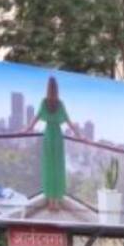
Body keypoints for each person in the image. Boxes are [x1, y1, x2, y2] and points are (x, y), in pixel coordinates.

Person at [22, 76, 86, 213]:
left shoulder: (44, 102)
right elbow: (69, 121)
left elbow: (36, 118)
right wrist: (79, 135)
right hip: (57, 136)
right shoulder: (60, 103)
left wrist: (26, 129)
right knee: (58, 168)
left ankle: (51, 202)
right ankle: (55, 202)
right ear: (57, 89)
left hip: (48, 136)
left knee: (49, 168)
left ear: (47, 88)